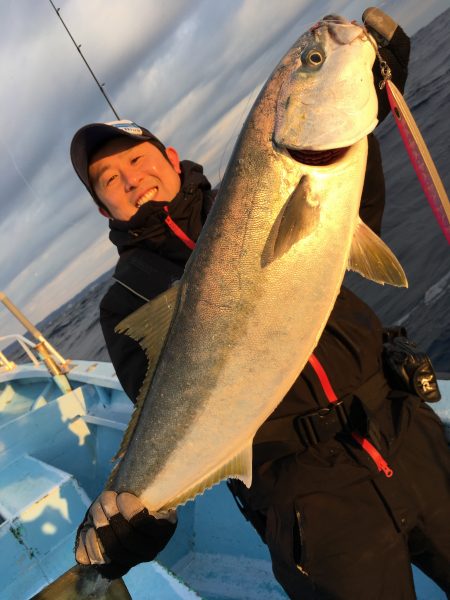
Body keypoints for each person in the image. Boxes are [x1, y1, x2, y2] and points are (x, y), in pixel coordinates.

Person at [70, 8, 450, 599]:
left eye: (137, 158)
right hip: (306, 498)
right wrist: (138, 515)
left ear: (171, 158)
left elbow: (355, 226)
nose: (129, 178)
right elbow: (165, 409)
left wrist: (368, 111)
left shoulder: (253, 192)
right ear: (104, 211)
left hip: (402, 427)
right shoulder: (125, 298)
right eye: (108, 179)